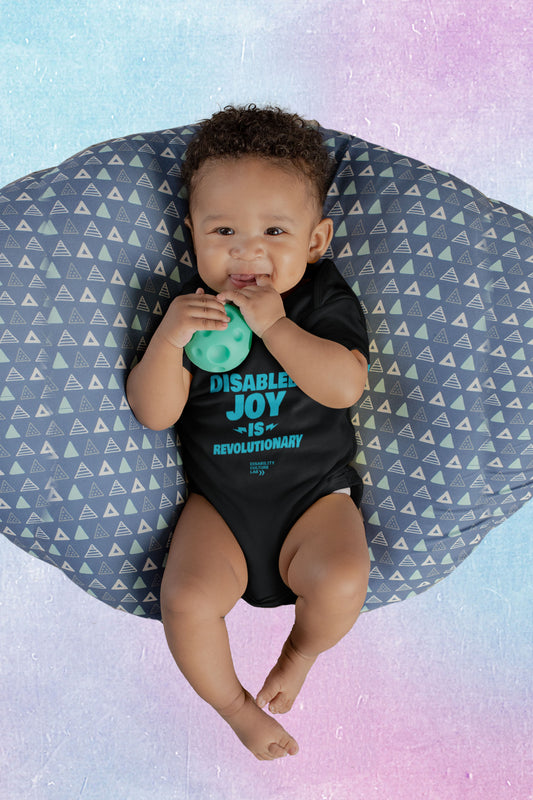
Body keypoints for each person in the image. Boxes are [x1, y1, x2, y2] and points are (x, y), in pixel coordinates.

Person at [126, 105, 370, 760]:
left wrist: (276, 326)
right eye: (224, 230)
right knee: (184, 600)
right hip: (221, 506)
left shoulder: (319, 298)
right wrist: (169, 341)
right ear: (193, 233)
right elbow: (154, 413)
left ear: (314, 241)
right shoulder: (189, 309)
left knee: (343, 578)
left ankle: (300, 651)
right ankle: (235, 708)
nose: (246, 250)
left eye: (274, 231)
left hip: (314, 497)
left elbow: (344, 386)